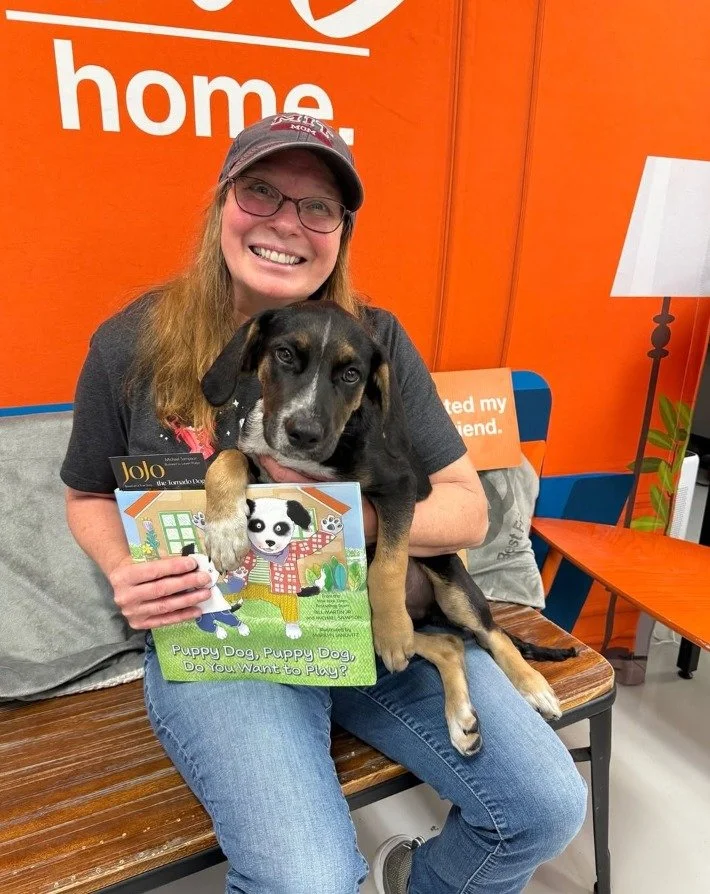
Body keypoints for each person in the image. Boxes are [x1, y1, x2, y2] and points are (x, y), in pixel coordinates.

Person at [61, 114, 587, 894]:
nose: (286, 223)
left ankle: (418, 878)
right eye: (262, 192)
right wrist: (119, 568)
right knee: (308, 881)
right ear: (221, 205)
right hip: (225, 641)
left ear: (340, 231)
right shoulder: (130, 342)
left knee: (543, 810)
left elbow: (468, 512)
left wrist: (346, 517)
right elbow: (84, 495)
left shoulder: (375, 341)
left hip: (371, 633)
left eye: (318, 208)